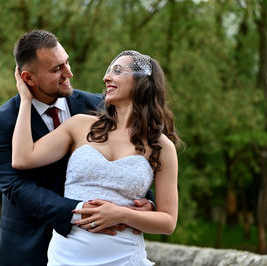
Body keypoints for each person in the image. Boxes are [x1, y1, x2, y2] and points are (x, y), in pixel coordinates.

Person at [0, 30, 154, 266]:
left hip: (101, 246)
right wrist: (80, 210)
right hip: (28, 246)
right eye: (56, 70)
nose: (69, 74)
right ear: (28, 78)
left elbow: (132, 154)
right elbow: (16, 187)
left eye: (67, 62)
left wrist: (144, 201)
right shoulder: (0, 123)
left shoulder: (98, 106)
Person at [12, 49, 180, 265]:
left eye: (117, 71)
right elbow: (22, 158)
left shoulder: (161, 146)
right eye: (109, 71)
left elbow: (168, 222)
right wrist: (25, 100)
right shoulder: (79, 125)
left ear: (141, 82)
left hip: (124, 258)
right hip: (66, 256)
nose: (106, 77)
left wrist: (121, 214)